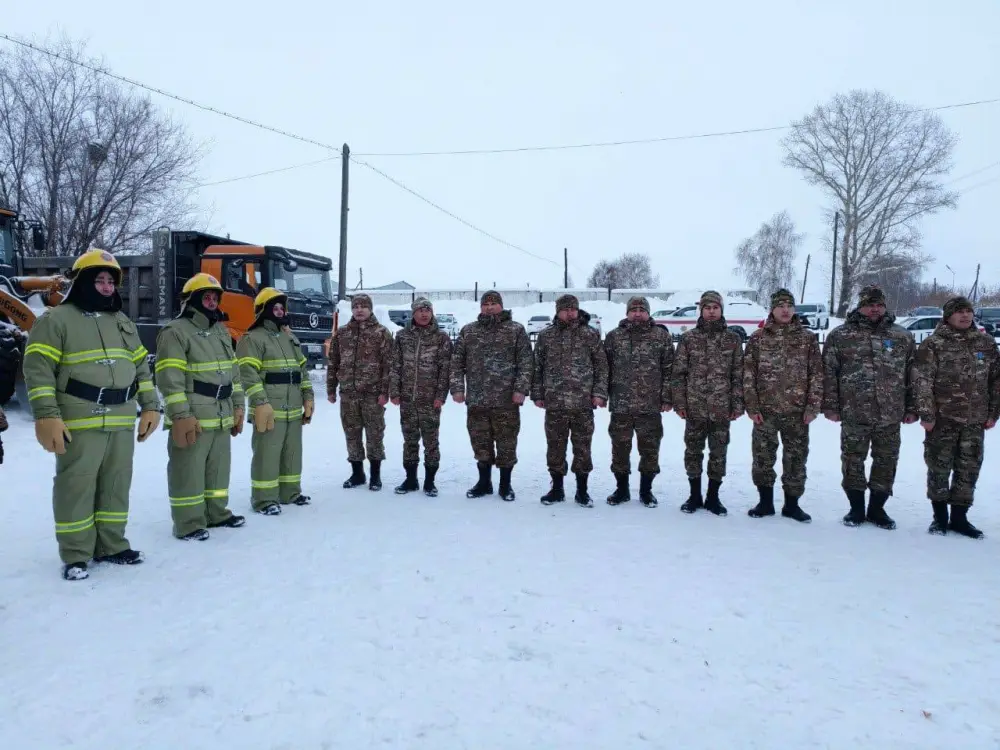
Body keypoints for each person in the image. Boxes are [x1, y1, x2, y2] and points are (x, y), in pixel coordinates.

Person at [22, 249, 161, 581]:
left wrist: (152, 405)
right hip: (79, 418)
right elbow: (38, 370)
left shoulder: (122, 322)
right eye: (99, 279)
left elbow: (142, 368)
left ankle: (112, 545)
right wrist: (46, 415)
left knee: (116, 484)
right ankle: (76, 554)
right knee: (76, 485)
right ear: (83, 282)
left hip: (121, 418)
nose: (106, 286)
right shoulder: (55, 320)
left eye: (110, 281)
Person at [154, 273, 246, 539]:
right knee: (188, 472)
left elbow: (234, 373)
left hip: (221, 413)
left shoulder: (220, 330)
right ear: (193, 300)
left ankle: (216, 513)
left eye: (215, 297)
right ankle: (189, 523)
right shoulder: (175, 331)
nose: (211, 301)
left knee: (218, 470)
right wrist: (180, 415)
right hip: (194, 414)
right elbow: (170, 379)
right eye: (205, 297)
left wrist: (238, 407)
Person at [822, 285, 916, 530]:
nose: (874, 309)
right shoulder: (841, 336)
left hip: (891, 413)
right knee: (853, 460)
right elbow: (829, 373)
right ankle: (856, 508)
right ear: (860, 306)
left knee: (886, 461)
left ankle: (877, 508)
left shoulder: (902, 337)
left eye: (879, 304)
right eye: (869, 304)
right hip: (854, 411)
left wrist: (912, 407)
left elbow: (913, 375)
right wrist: (830, 406)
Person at [912, 295, 1000, 538]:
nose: (965, 315)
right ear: (948, 316)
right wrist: (927, 415)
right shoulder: (934, 344)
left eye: (968, 311)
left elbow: (995, 382)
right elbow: (922, 382)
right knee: (939, 467)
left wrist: (994, 413)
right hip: (942, 419)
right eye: (959, 311)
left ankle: (960, 518)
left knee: (969, 468)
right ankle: (939, 518)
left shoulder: (986, 343)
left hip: (975, 420)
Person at [743, 288, 823, 522]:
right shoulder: (758, 338)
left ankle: (792, 505)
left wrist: (812, 407)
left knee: (796, 459)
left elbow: (816, 374)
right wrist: (753, 407)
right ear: (772, 310)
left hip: (797, 412)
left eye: (789, 306)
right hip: (765, 412)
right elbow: (748, 374)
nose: (785, 310)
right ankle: (765, 502)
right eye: (780, 306)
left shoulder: (806, 338)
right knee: (763, 458)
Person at [237, 287, 316, 514]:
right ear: (263, 311)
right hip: (270, 408)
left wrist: (308, 397)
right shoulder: (252, 339)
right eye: (275, 308)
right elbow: (248, 373)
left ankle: (290, 492)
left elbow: (303, 370)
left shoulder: (289, 337)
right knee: (267, 455)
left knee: (292, 452)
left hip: (292, 408)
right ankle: (264, 500)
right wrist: (260, 402)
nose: (280, 312)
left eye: (282, 308)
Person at [450, 290, 533, 501]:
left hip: (507, 400)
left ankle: (506, 485)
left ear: (501, 306)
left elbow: (526, 362)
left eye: (494, 303)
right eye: (486, 303)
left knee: (506, 443)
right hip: (477, 400)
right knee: (480, 443)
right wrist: (458, 388)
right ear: (480, 307)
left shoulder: (515, 330)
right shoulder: (469, 332)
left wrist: (521, 389)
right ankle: (484, 483)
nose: (489, 307)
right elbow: (457, 362)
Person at [530, 293, 608, 507]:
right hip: (555, 403)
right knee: (555, 447)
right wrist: (537, 394)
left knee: (582, 447)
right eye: (566, 309)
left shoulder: (589, 335)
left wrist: (599, 393)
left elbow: (601, 366)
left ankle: (582, 491)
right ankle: (557, 489)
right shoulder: (547, 336)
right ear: (557, 311)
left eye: (573, 309)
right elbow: (538, 367)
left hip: (583, 403)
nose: (570, 312)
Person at [672, 290, 744, 515]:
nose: (711, 312)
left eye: (715, 308)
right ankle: (694, 496)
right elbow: (679, 373)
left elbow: (738, 374)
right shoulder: (689, 339)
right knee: (693, 451)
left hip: (722, 409)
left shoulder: (732, 339)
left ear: (721, 310)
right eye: (707, 308)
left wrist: (737, 404)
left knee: (718, 452)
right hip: (694, 408)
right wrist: (680, 403)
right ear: (701, 311)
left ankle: (713, 497)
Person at [604, 295, 673, 507]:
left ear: (648, 312)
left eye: (642, 310)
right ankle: (622, 489)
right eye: (633, 309)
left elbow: (670, 369)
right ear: (627, 312)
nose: (637, 313)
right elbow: (604, 368)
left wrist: (667, 397)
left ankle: (646, 491)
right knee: (620, 449)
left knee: (650, 450)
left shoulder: (660, 337)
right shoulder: (614, 337)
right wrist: (601, 394)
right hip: (621, 405)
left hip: (650, 405)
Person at [327, 293, 393, 491]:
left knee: (375, 435)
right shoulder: (342, 333)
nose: (359, 310)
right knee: (352, 434)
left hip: (373, 395)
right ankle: (357, 474)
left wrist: (385, 392)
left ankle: (375, 475)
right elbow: (333, 363)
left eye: (364, 306)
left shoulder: (381, 333)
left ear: (371, 309)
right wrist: (331, 388)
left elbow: (388, 365)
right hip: (348, 394)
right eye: (356, 306)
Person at [388, 297, 452, 497]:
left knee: (431, 441)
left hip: (430, 400)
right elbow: (395, 366)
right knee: (410, 440)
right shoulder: (402, 336)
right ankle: (411, 479)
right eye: (420, 310)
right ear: (413, 313)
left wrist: (440, 395)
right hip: (407, 399)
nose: (424, 314)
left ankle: (430, 481)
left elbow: (445, 369)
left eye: (428, 310)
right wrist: (395, 392)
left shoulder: (441, 338)